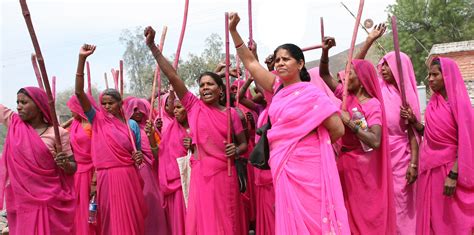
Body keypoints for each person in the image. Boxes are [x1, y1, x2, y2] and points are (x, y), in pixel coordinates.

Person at [229, 12, 349, 234]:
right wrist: (234, 31)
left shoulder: (313, 94)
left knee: (316, 216)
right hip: (284, 164)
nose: (280, 63)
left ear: (300, 63)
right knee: (291, 214)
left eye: (286, 59)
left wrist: (308, 145)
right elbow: (252, 63)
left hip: (310, 165)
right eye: (277, 59)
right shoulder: (277, 88)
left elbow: (337, 129)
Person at [145, 26, 248, 234]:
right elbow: (173, 77)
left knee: (227, 222)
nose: (205, 88)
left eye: (210, 84)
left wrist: (235, 151)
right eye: (202, 85)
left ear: (220, 90)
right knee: (204, 224)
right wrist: (153, 48)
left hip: (224, 175)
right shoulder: (193, 106)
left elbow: (244, 143)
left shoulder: (233, 114)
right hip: (201, 175)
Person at [319, 36, 397, 234]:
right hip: (345, 167)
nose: (345, 78)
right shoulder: (345, 96)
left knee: (365, 216)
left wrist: (349, 123)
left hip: (364, 171)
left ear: (361, 79)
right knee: (346, 216)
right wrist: (325, 52)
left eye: (350, 73)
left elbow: (375, 140)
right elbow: (324, 75)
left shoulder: (373, 105)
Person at [74, 44, 146, 234]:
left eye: (111, 103)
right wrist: (82, 59)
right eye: (103, 103)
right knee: (110, 220)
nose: (106, 106)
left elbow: (137, 154)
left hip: (128, 176)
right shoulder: (96, 120)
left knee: (132, 219)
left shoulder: (131, 127)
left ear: (120, 104)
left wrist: (137, 158)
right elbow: (79, 93)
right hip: (106, 177)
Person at [355, 23, 420, 234]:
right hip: (377, 155)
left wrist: (413, 163)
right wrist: (369, 41)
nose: (382, 68)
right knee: (381, 202)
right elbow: (355, 65)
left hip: (401, 158)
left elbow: (412, 134)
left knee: (402, 204)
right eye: (381, 64)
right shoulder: (376, 90)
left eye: (386, 65)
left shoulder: (406, 95)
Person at [401, 57, 474, 234]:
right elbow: (433, 135)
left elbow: (467, 141)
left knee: (454, 223)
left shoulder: (460, 104)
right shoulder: (434, 103)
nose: (430, 79)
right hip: (431, 174)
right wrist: (414, 122)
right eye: (429, 75)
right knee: (435, 221)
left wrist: (454, 174)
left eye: (435, 74)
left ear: (447, 76)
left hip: (450, 172)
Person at [0, 87, 76, 234]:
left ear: (39, 105)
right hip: (23, 201)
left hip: (50, 200)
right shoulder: (15, 125)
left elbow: (73, 167)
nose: (18, 106)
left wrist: (65, 164)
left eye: (24, 102)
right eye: (17, 102)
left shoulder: (58, 134)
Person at [125, 97, 169, 235]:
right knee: (146, 200)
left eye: (140, 109)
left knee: (156, 203)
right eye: (134, 109)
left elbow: (160, 147)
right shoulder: (128, 127)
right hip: (141, 168)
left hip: (156, 168)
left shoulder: (151, 127)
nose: (138, 112)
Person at [158, 94, 191, 235]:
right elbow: (161, 156)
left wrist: (194, 144)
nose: (175, 111)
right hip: (177, 183)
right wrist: (151, 137)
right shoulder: (169, 130)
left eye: (179, 107)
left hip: (196, 182)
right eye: (174, 108)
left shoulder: (198, 126)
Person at [67, 94, 98, 234]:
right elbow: (57, 132)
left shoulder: (94, 125)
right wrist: (69, 121)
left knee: (93, 208)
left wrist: (94, 180)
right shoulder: (74, 124)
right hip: (77, 173)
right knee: (79, 208)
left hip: (93, 171)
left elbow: (100, 152)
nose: (71, 111)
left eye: (72, 108)